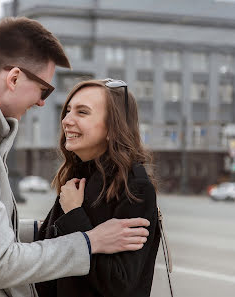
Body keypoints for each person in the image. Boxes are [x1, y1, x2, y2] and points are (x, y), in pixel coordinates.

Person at [0, 17, 151, 297]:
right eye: (44, 89)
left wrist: (52, 228)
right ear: (14, 78)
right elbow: (0, 263)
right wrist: (89, 241)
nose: (42, 102)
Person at [36, 79, 160, 297]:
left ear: (114, 127)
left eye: (82, 112)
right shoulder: (78, 176)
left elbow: (119, 284)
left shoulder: (134, 187)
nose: (66, 120)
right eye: (67, 111)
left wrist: (75, 216)